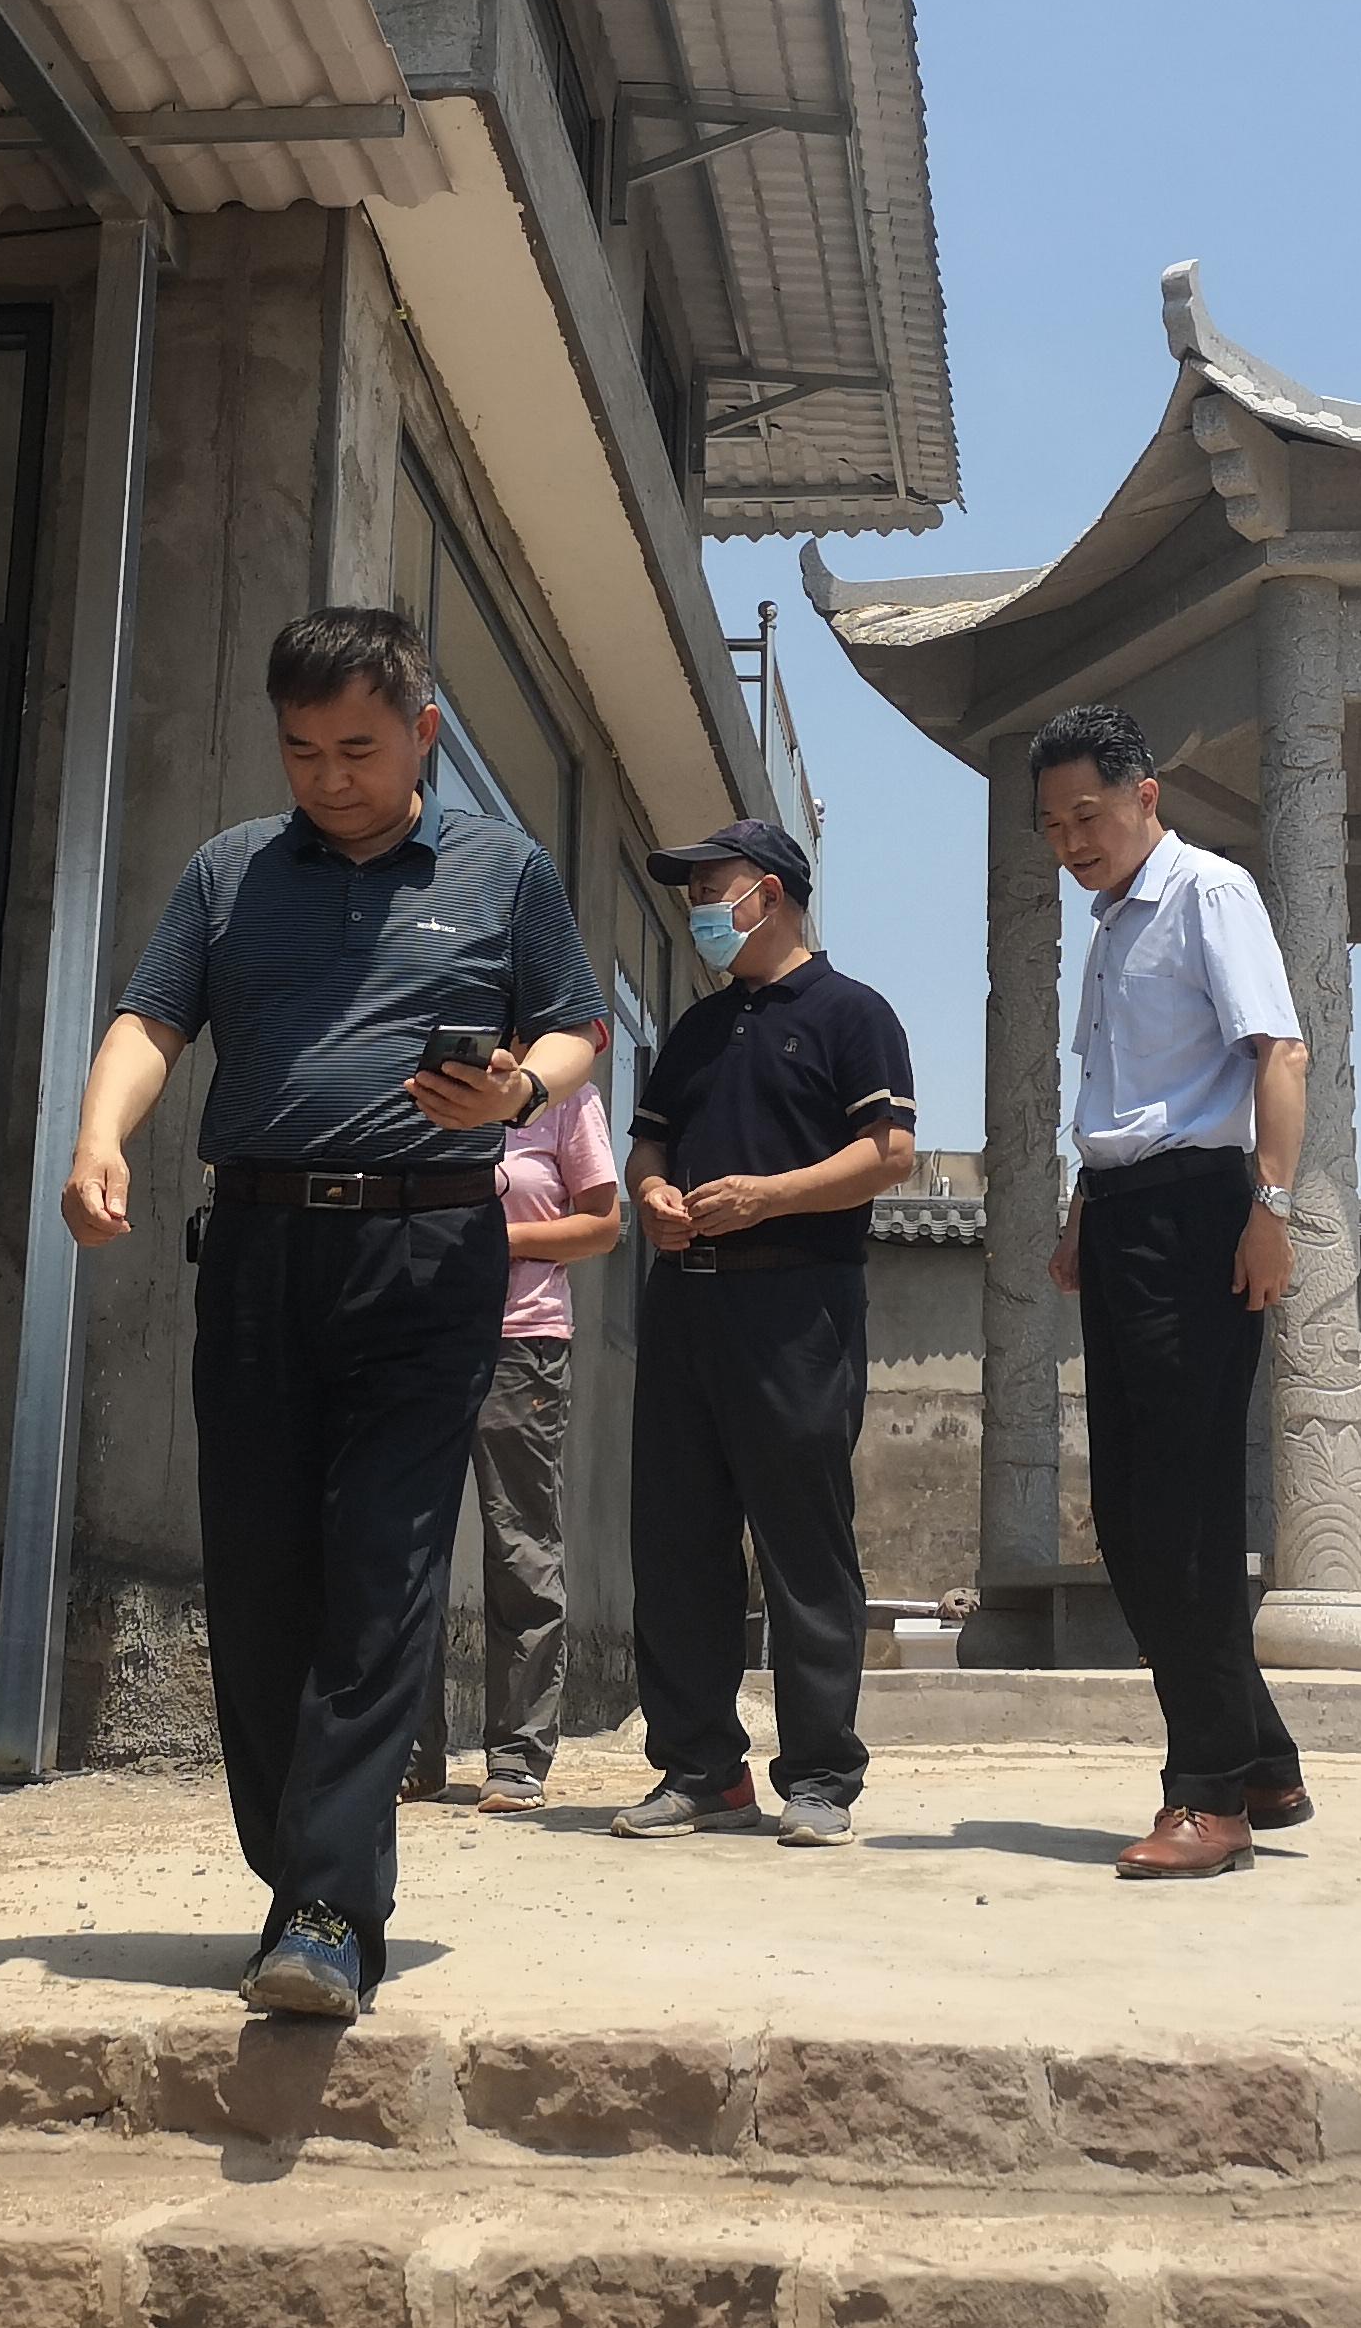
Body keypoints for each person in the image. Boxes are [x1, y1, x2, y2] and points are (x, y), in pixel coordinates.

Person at [63, 608, 605, 2022]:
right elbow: (152, 1018)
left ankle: (324, 1908)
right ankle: (298, 1868)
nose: (329, 777)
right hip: (256, 1249)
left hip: (429, 1253)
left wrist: (519, 1091)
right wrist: (102, 1134)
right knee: (257, 1577)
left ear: (422, 732)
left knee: (385, 1566)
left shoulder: (504, 869)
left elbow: (576, 1022)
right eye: (301, 751)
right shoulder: (230, 871)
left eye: (357, 749)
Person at [1028, 704, 1315, 1880]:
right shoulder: (1111, 926)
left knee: (1181, 1517)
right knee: (1134, 1515)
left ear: (1145, 796)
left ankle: (1206, 1797)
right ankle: (1260, 1759)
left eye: (1087, 816)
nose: (1071, 842)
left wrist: (1271, 1210)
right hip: (1124, 1216)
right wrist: (1083, 1209)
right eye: (1052, 826)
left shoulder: (1207, 893)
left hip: (1201, 1214)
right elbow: (1118, 1092)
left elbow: (1277, 1051)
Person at [612, 821, 918, 1849]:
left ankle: (822, 1776)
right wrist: (651, 1195)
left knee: (802, 1544)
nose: (700, 903)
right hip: (683, 1304)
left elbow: (888, 1153)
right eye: (693, 888)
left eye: (715, 886)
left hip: (797, 1307)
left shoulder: (852, 1013)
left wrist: (769, 1197)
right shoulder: (697, 1028)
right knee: (676, 1541)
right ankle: (700, 1768)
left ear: (772, 894)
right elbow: (648, 1145)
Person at [404, 1077, 621, 1814]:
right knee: (403, 1548)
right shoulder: (427, 1081)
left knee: (521, 1550)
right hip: (418, 1338)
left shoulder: (566, 1097)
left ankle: (518, 1756)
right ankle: (409, 1755)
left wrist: (500, 1241)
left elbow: (602, 1225)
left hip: (522, 1343)